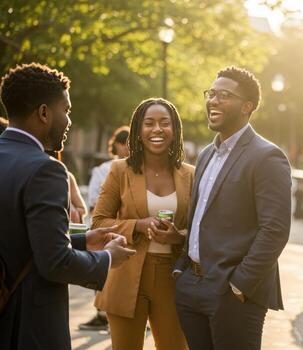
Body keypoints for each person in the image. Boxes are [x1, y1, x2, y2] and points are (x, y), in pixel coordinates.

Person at [0, 62, 135, 349]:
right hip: (28, 326)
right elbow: (55, 263)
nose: (69, 120)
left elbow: (22, 239)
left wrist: (83, 240)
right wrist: (108, 257)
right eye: (67, 110)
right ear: (44, 113)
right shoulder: (45, 170)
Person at [173, 66, 291, 350]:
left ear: (247, 106)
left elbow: (274, 230)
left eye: (224, 95)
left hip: (232, 292)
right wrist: (182, 270)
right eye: (211, 93)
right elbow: (202, 218)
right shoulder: (204, 155)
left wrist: (240, 285)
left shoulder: (267, 157)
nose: (213, 100)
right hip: (192, 286)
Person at [92, 98, 193, 349]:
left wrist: (178, 236)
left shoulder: (192, 174)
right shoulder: (119, 170)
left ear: (175, 130)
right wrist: (137, 225)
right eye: (149, 123)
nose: (157, 129)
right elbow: (98, 224)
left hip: (173, 277)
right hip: (126, 273)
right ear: (138, 130)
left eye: (164, 123)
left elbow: (203, 228)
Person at [79, 125, 130, 332]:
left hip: (126, 229)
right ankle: (102, 313)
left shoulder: (140, 169)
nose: (128, 148)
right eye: (125, 143)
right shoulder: (102, 170)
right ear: (117, 145)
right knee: (105, 269)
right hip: (108, 228)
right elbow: (93, 204)